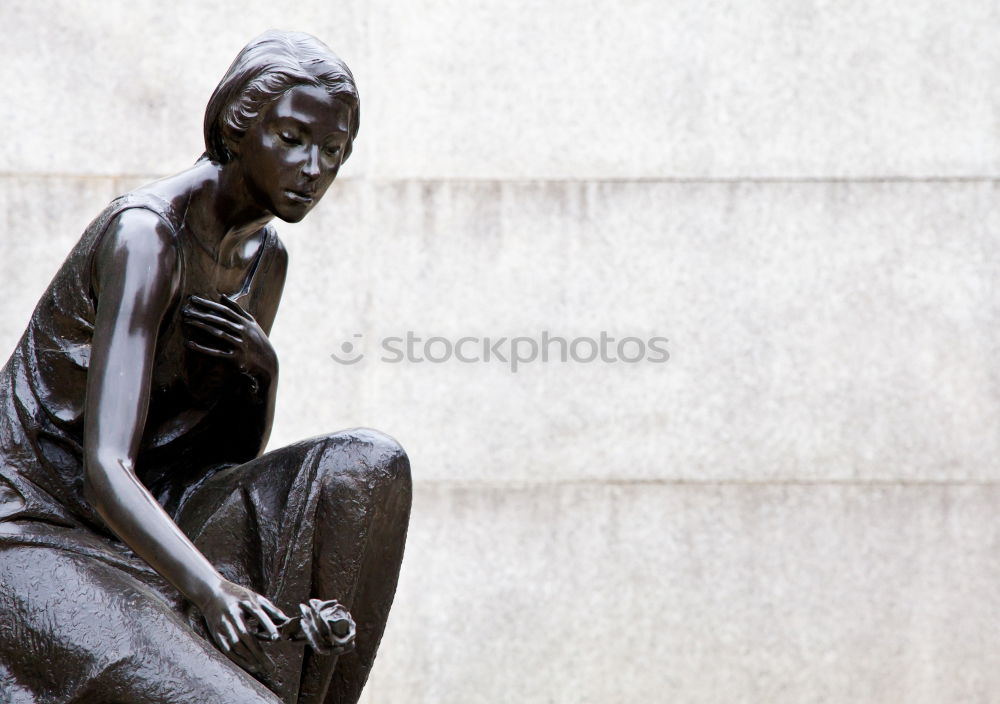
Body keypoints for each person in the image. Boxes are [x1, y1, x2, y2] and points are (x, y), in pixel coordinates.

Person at [0, 30, 411, 704]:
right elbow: (106, 468)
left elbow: (221, 464)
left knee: (369, 465)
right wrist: (211, 587)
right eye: (292, 139)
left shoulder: (265, 257)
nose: (313, 168)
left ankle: (306, 668)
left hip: (162, 513)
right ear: (236, 128)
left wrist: (261, 372)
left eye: (332, 152)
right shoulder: (146, 236)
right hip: (41, 530)